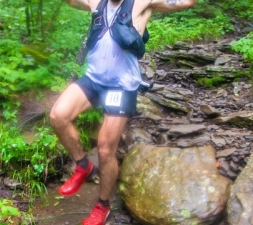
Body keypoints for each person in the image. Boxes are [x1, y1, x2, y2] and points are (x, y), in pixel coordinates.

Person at [50, 0, 197, 224]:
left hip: (121, 85)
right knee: (58, 116)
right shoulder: (95, 1)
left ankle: (103, 205)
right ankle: (83, 166)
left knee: (106, 148)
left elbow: (186, 2)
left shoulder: (143, 3)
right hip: (93, 78)